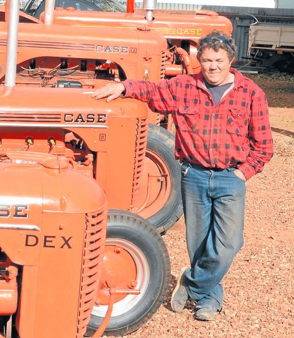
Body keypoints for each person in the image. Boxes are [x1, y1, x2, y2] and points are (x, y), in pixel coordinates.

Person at [92, 30, 273, 321]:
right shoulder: (185, 86)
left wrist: (243, 173)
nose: (213, 66)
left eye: (219, 60)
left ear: (231, 60)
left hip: (230, 178)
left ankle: (191, 281)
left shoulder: (251, 93)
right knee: (199, 243)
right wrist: (124, 88)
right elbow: (151, 91)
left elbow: (264, 144)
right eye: (207, 61)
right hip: (194, 175)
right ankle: (208, 300)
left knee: (229, 243)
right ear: (199, 61)